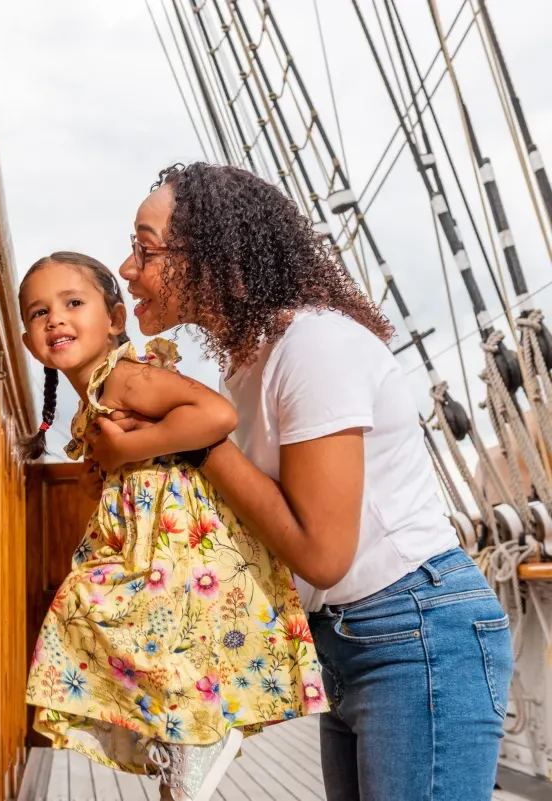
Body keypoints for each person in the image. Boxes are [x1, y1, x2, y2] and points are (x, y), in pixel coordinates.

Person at [89, 162, 512, 800]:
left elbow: (323, 553)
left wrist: (195, 436)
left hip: (416, 632)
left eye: (145, 250)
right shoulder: (248, 365)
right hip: (344, 641)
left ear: (214, 258)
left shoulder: (314, 348)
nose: (127, 268)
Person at [20, 251, 325, 801]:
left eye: (73, 303)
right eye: (39, 312)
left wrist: (126, 449)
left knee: (86, 607)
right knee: (151, 639)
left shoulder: (125, 378)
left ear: (115, 319)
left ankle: (196, 736)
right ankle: (181, 740)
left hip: (182, 543)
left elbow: (216, 415)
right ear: (28, 340)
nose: (56, 318)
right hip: (154, 541)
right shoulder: (98, 394)